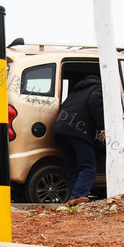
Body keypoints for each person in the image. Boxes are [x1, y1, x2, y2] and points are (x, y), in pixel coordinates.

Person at [53, 75, 105, 206]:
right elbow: (95, 102)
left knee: (73, 169)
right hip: (78, 131)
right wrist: (102, 127)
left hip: (60, 130)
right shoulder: (97, 89)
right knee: (88, 167)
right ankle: (76, 198)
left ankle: (72, 199)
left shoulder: (74, 93)